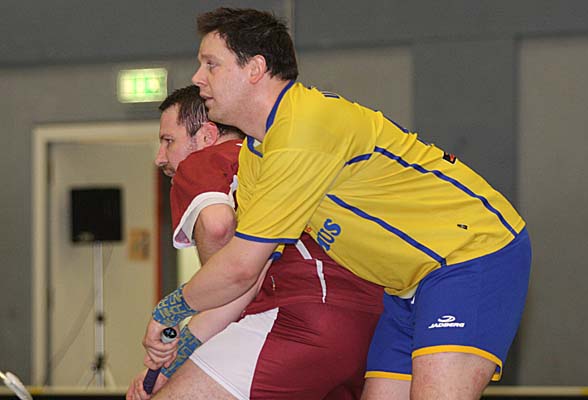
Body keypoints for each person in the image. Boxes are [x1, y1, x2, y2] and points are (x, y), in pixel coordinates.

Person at [144, 8, 531, 400]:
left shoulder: (305, 127)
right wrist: (179, 353)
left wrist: (170, 310)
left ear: (255, 68)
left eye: (211, 64)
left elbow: (240, 268)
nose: (198, 77)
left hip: (471, 257)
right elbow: (249, 274)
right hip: (404, 286)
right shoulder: (257, 153)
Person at [129, 85, 383, 400]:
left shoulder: (203, 162)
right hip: (373, 320)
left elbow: (222, 238)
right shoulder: (276, 155)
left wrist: (171, 346)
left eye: (169, 141)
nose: (160, 157)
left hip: (301, 316)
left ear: (207, 136)